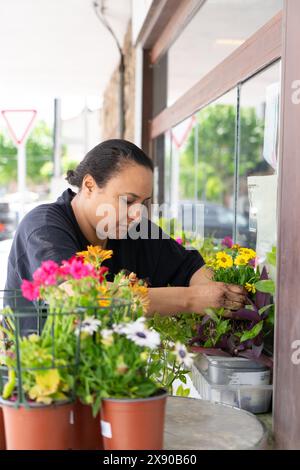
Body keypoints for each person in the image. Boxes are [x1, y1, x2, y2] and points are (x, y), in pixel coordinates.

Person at [5, 139, 246, 318]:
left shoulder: (133, 229)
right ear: (89, 186)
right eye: (128, 201)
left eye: (144, 203)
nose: (137, 213)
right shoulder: (44, 226)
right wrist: (191, 299)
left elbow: (190, 268)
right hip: (40, 379)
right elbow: (77, 297)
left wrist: (224, 296)